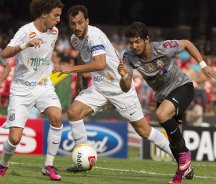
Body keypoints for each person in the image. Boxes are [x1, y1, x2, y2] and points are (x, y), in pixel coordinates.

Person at [52, 5, 174, 173]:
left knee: (143, 130)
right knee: (74, 112)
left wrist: (70, 69)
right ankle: (83, 157)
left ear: (87, 21)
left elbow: (100, 63)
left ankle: (180, 157)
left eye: (80, 22)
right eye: (73, 24)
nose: (77, 27)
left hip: (120, 88)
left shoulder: (95, 36)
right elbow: (82, 53)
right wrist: (80, 78)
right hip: (99, 88)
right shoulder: (75, 38)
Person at [118, 22, 216, 184]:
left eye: (137, 41)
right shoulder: (129, 57)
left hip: (182, 87)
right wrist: (123, 76)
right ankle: (182, 172)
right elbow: (126, 87)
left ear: (147, 40)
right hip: (162, 97)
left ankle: (185, 154)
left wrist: (203, 66)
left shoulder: (163, 47)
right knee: (175, 143)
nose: (134, 46)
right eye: (131, 42)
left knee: (161, 115)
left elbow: (186, 43)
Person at [0, 0, 64, 180]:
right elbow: (4, 54)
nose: (58, 20)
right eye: (56, 15)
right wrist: (25, 45)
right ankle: (3, 164)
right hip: (21, 89)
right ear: (44, 13)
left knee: (57, 117)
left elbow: (45, 56)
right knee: (14, 138)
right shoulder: (25, 31)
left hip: (43, 86)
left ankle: (48, 166)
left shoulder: (54, 32)